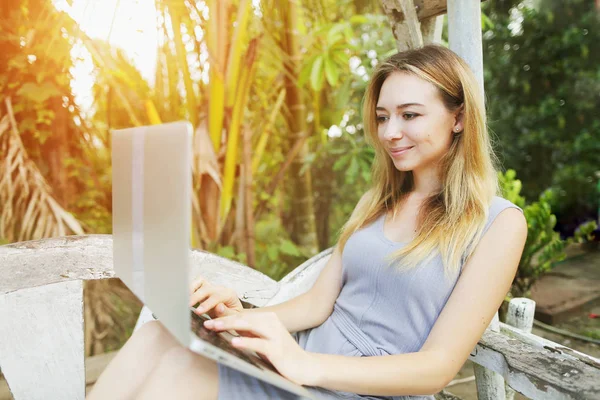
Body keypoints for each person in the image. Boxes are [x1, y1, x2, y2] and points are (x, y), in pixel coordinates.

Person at [88, 45, 527, 400]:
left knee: (177, 378)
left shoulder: (499, 224)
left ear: (459, 118)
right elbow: (318, 303)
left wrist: (305, 366)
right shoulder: (377, 201)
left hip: (360, 386)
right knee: (155, 339)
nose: (390, 132)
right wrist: (239, 318)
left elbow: (437, 368)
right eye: (382, 116)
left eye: (409, 115)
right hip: (300, 357)